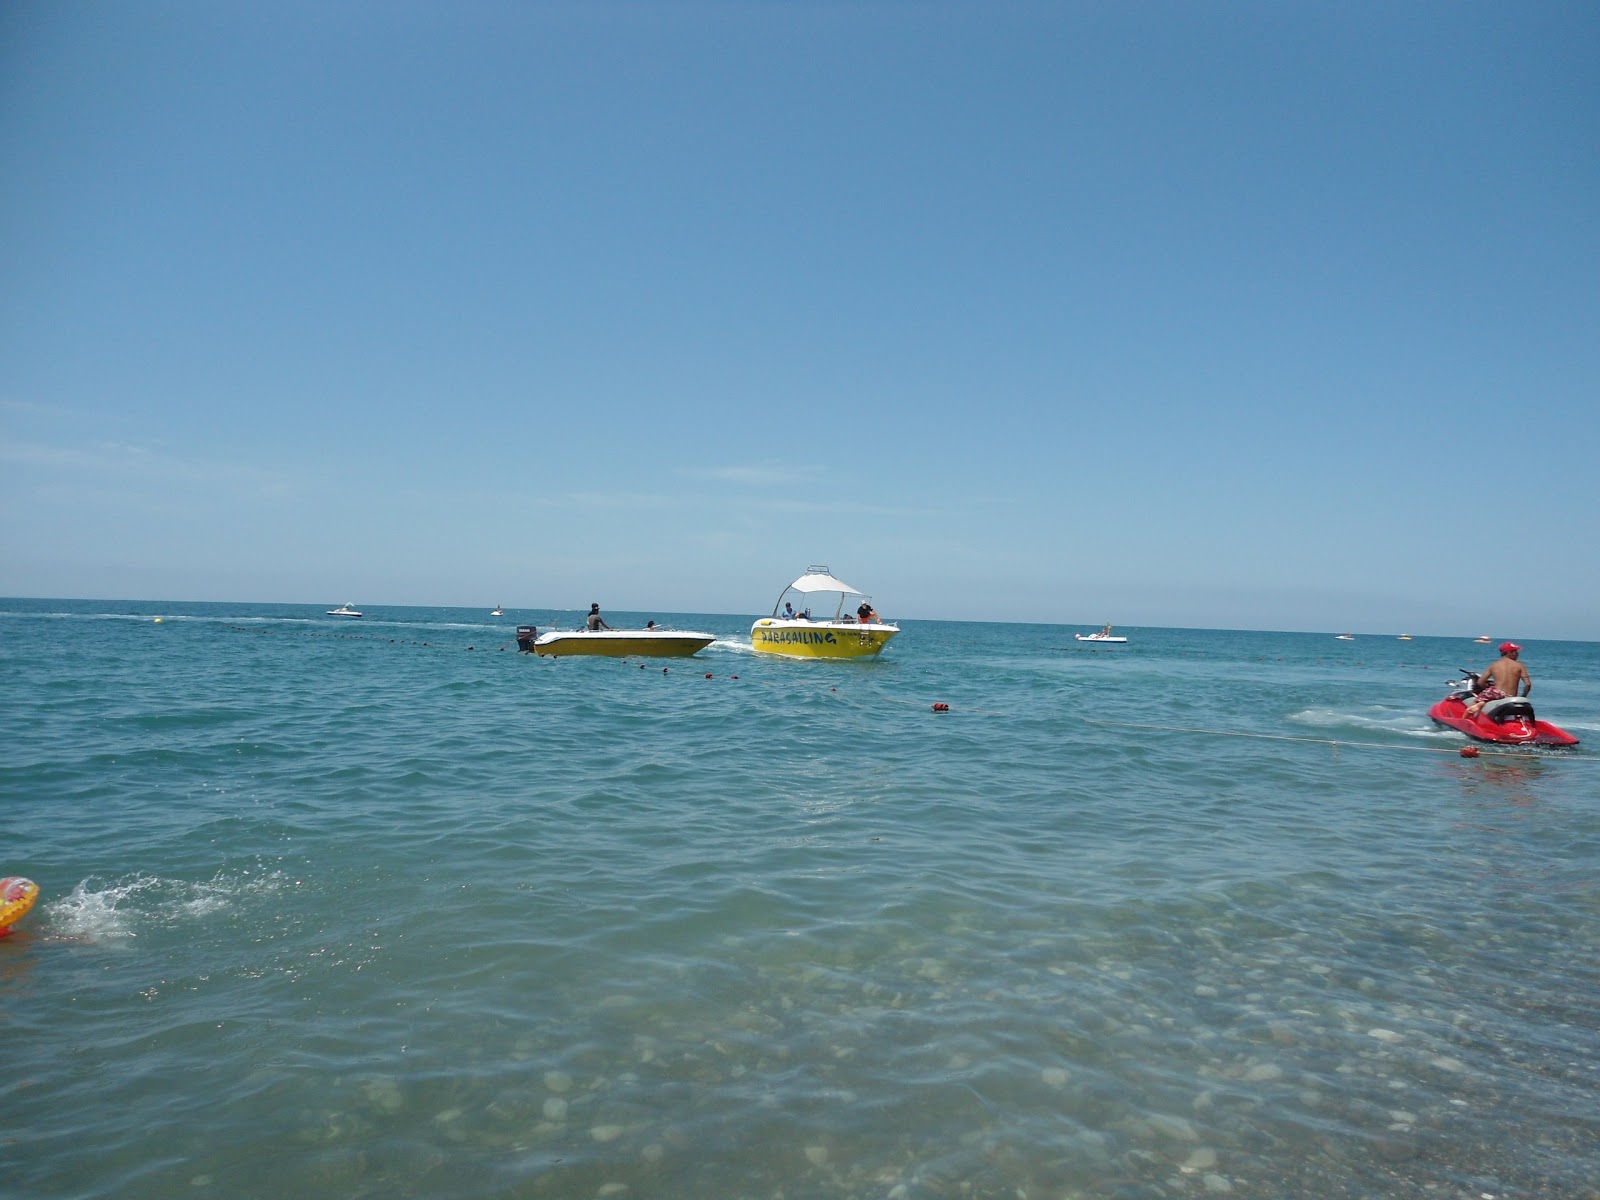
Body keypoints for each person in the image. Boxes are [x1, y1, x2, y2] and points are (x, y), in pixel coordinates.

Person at [1464, 642, 1531, 717]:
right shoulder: (1520, 666)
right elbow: (1528, 684)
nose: (1517, 654)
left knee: (1477, 700)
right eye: (1515, 652)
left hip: (1497, 694)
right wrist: (1523, 696)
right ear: (1509, 652)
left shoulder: (1494, 665)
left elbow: (1480, 682)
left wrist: (1486, 687)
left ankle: (1470, 715)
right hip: (1511, 696)